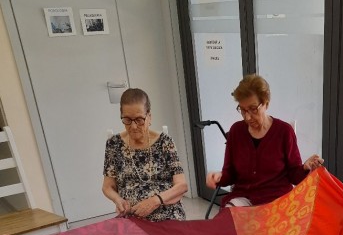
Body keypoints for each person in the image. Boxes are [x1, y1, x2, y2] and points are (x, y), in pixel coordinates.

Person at [206, 74, 324, 208]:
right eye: (243, 110)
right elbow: (230, 173)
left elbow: (294, 176)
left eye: (253, 109)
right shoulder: (236, 131)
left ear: (266, 104)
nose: (248, 117)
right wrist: (219, 176)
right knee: (229, 216)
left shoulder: (284, 131)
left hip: (277, 200)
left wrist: (305, 167)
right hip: (244, 197)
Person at [102, 88, 188, 221]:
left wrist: (155, 201)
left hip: (166, 211)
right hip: (132, 214)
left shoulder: (165, 142)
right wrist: (118, 199)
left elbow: (182, 186)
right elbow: (107, 186)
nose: (133, 126)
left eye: (139, 119)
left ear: (149, 116)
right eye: (127, 119)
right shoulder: (114, 144)